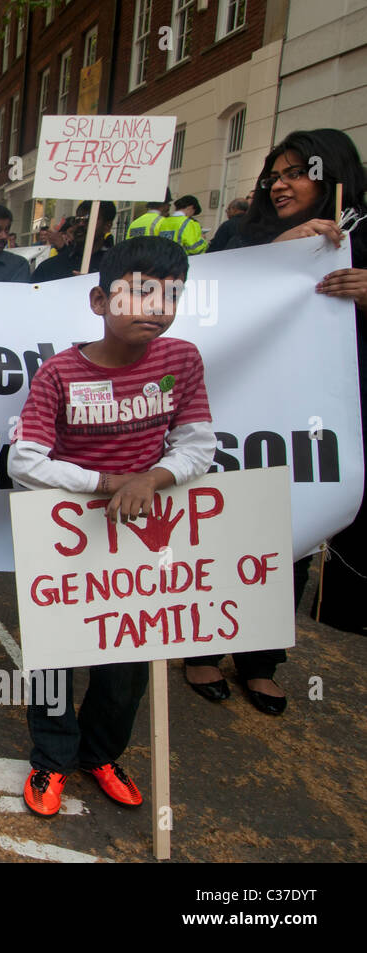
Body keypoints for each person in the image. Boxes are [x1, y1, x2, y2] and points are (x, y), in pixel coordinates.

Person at [8, 235, 215, 816]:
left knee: (128, 657)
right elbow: (24, 461)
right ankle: (51, 759)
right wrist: (106, 483)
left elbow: (198, 446)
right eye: (139, 293)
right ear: (99, 301)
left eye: (170, 295)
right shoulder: (59, 374)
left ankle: (101, 754)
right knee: (54, 652)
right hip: (69, 536)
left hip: (143, 536)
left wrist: (151, 479)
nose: (155, 308)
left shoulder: (182, 361)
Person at [186, 128, 367, 712]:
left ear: (333, 176)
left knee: (293, 528)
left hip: (319, 416)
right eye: (275, 175)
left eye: (296, 173)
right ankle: (203, 649)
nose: (281, 184)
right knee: (225, 523)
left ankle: (262, 658)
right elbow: (203, 295)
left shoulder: (361, 237)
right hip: (246, 406)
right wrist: (280, 253)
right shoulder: (243, 232)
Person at [32, 200, 117, 281]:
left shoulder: (117, 266)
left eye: (88, 220)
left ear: (107, 226)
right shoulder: (49, 268)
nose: (80, 224)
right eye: (77, 220)